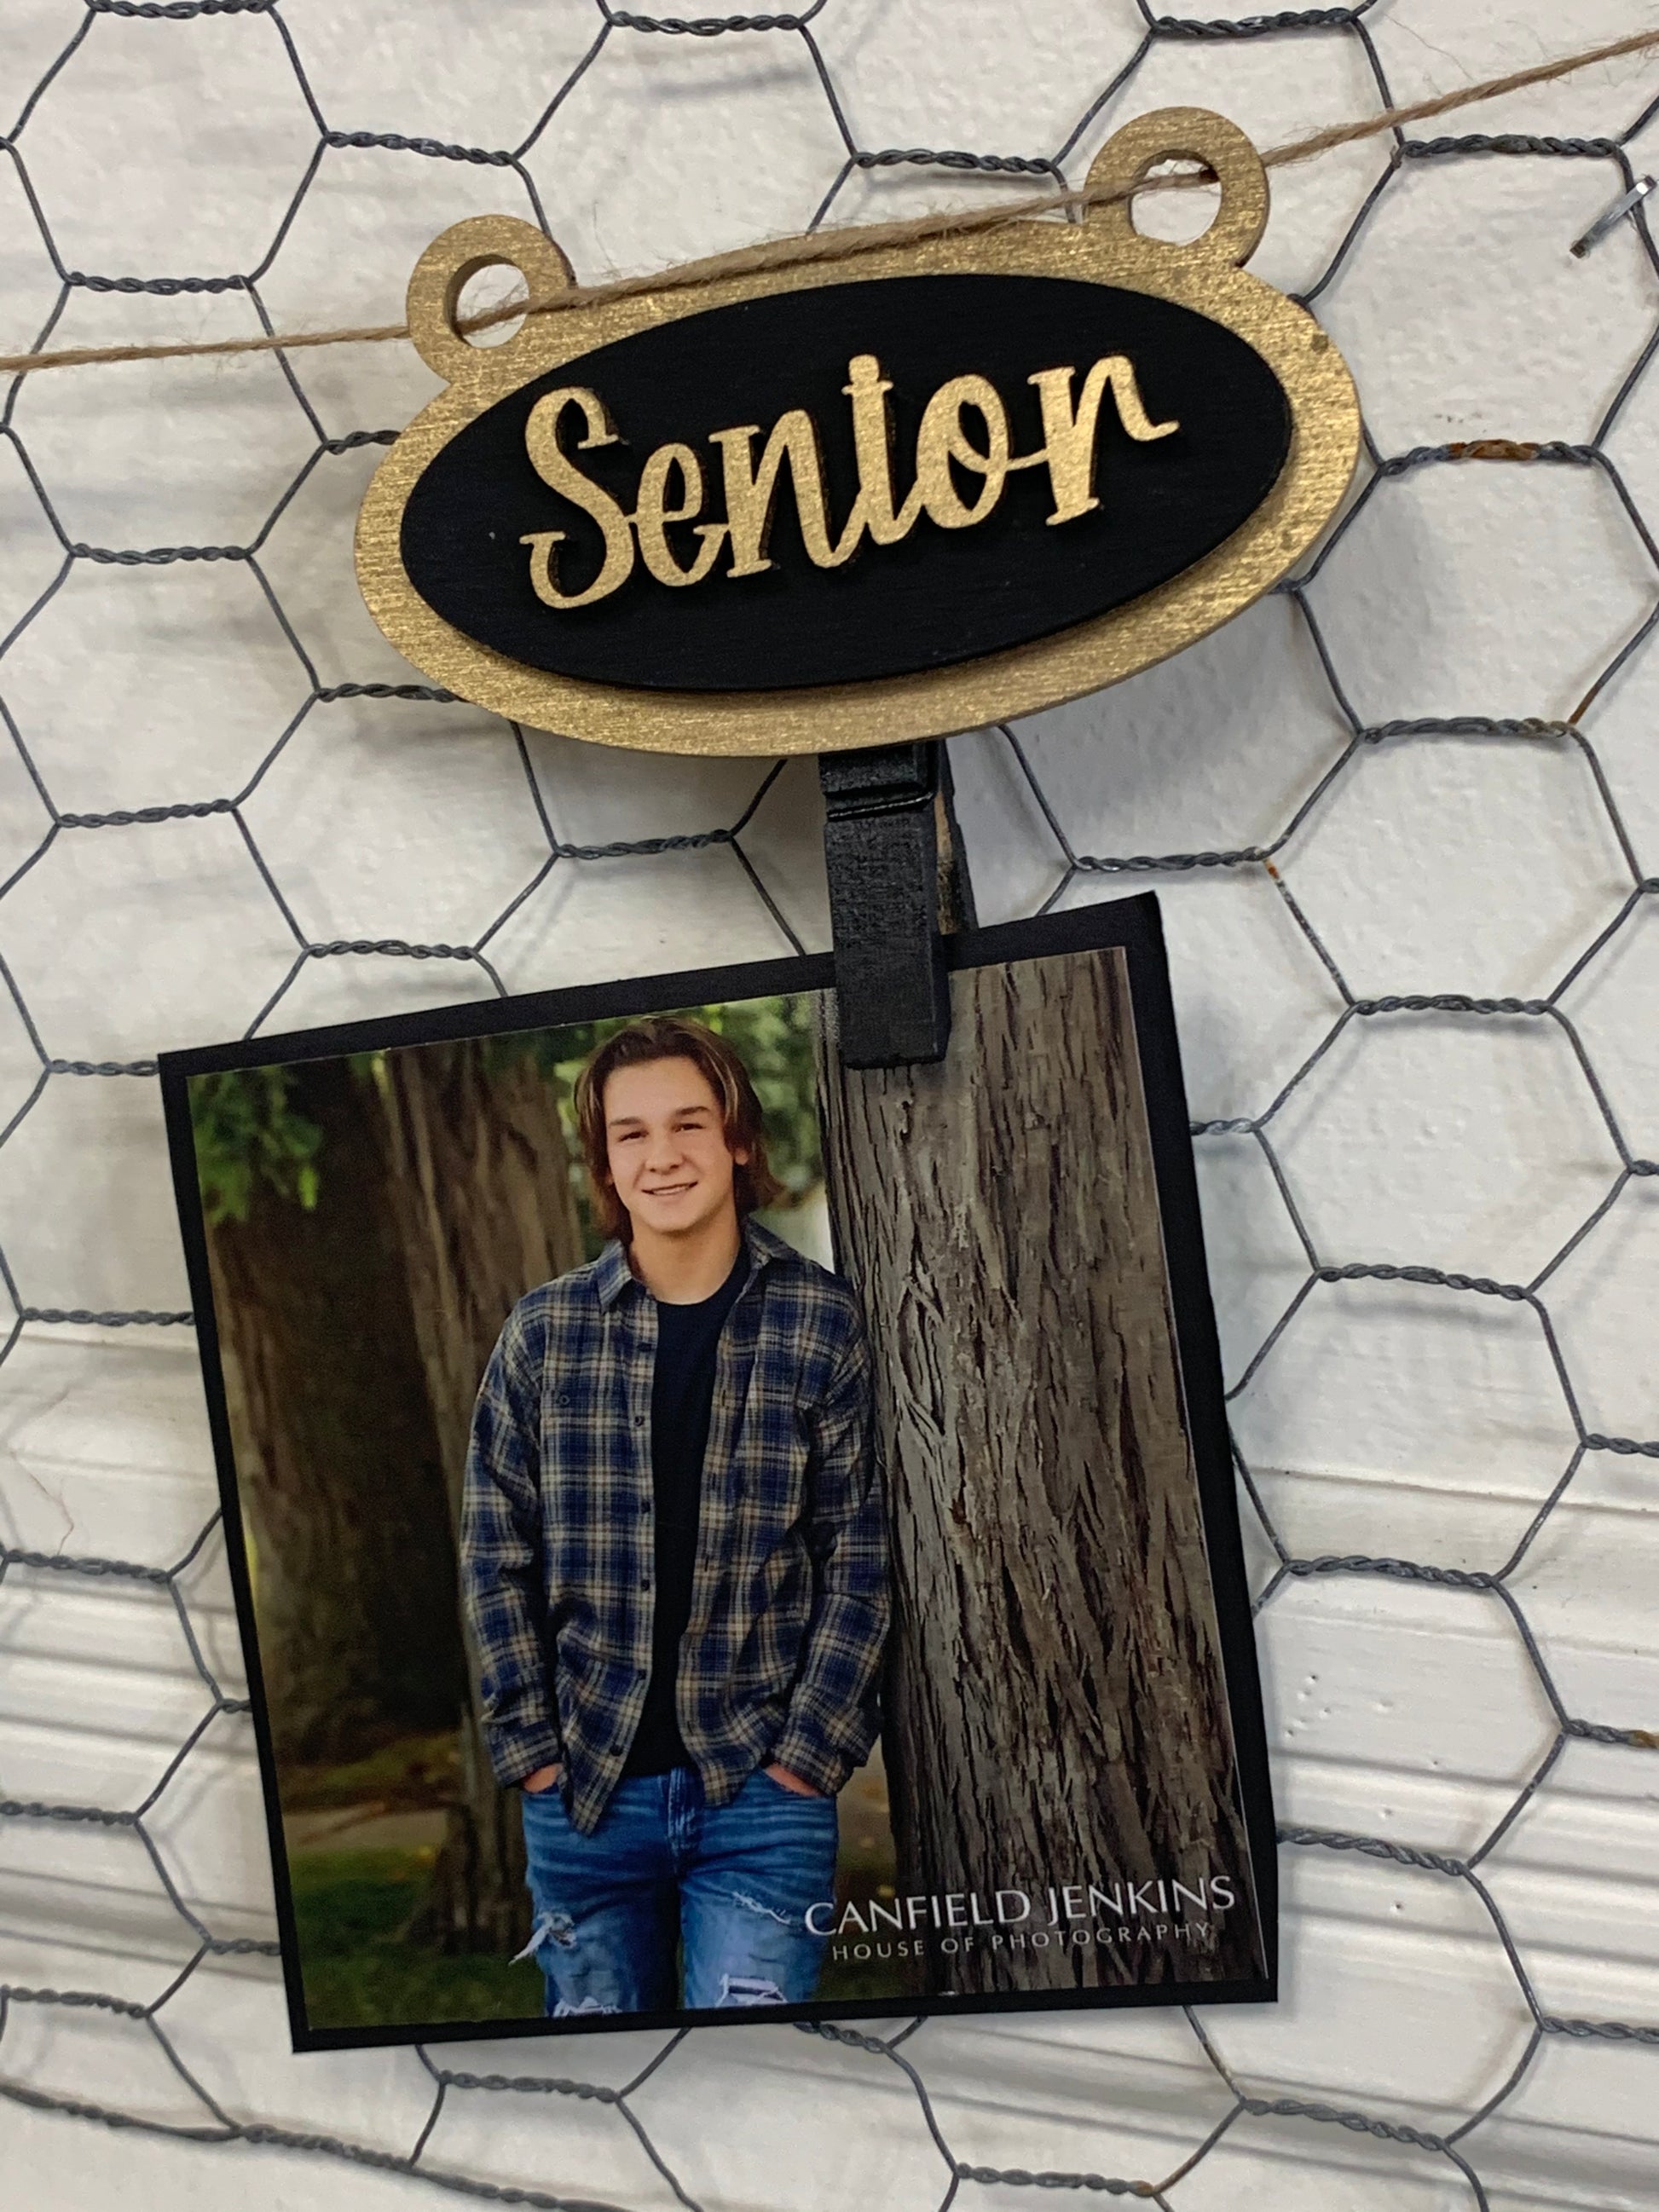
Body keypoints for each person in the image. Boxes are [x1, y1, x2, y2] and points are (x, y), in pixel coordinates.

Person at [460, 1014, 888, 2018]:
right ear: (606, 1163)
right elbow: (493, 1555)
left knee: (754, 2073)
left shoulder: (818, 1322)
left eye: (688, 1124)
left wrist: (806, 1759)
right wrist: (531, 1756)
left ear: (735, 1138)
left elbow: (856, 1556)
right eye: (632, 1134)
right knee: (611, 2085)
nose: (661, 1157)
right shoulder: (544, 1335)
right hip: (585, 1804)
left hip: (761, 1805)